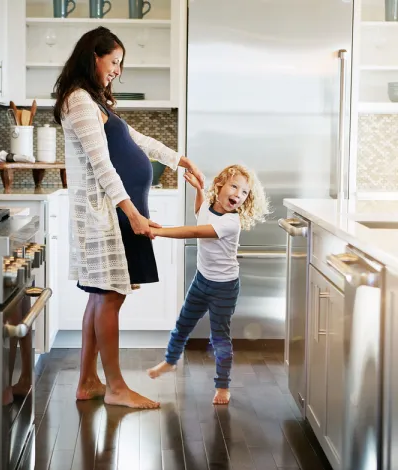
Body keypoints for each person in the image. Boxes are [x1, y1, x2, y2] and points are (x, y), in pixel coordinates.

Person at [52, 26, 204, 409]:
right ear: (94, 57)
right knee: (110, 296)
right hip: (108, 216)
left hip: (115, 214)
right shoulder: (80, 102)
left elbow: (135, 140)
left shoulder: (93, 101)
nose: (118, 70)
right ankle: (117, 387)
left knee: (100, 297)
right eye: (114, 61)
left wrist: (179, 159)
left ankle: (88, 381)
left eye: (121, 63)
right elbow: (101, 166)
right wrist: (133, 213)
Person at [147, 164, 269, 405]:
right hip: (202, 280)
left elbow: (194, 231)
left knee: (219, 338)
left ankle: (222, 386)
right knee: (182, 324)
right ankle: (170, 362)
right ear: (220, 185)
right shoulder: (209, 207)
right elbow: (200, 213)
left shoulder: (231, 223)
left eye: (244, 192)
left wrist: (158, 232)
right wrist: (199, 190)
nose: (238, 194)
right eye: (234, 186)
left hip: (224, 287)